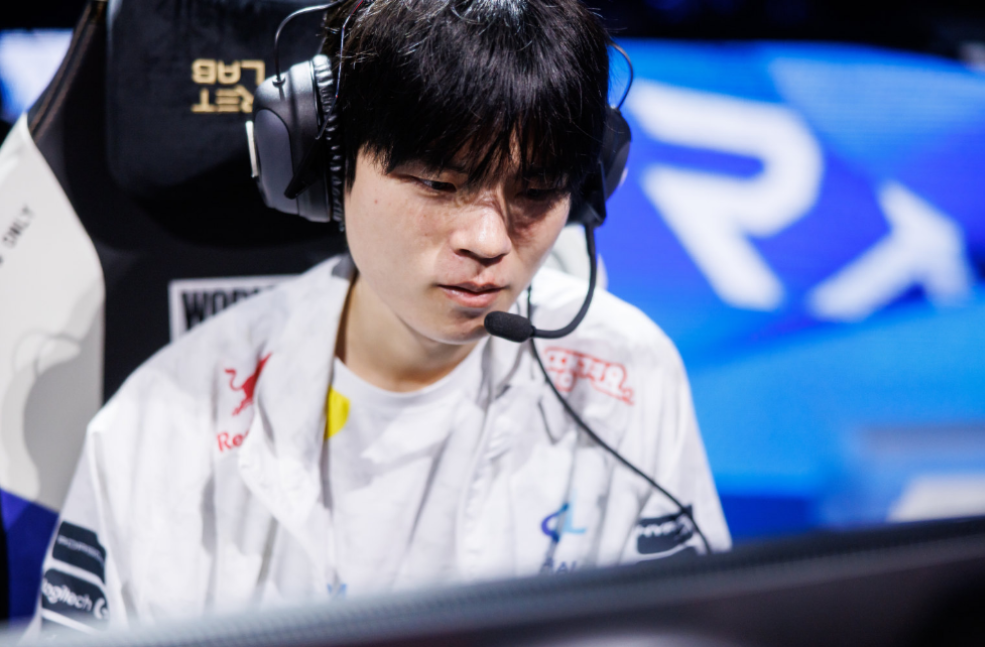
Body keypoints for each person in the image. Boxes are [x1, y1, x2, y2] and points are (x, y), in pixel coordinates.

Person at [32, 0, 729, 633]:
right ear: (330, 164)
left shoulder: (627, 378)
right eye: (439, 183)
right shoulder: (159, 427)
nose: (488, 241)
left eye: (538, 190)